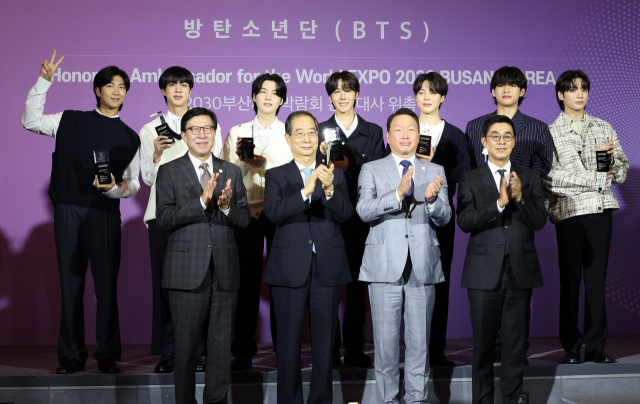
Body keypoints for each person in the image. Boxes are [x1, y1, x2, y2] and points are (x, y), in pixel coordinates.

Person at [22, 51, 141, 375]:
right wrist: (43, 81)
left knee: (106, 287)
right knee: (70, 285)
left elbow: (133, 183)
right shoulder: (70, 119)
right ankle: (71, 356)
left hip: (105, 213)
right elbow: (31, 121)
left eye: (122, 87)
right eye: (110, 85)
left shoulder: (130, 136)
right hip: (69, 211)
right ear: (98, 90)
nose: (116, 91)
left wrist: (114, 189)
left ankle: (107, 355)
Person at [155, 107, 251, 404]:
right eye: (194, 129)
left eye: (207, 128)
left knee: (221, 349)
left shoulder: (231, 170)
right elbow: (164, 218)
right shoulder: (169, 170)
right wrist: (200, 201)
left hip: (224, 271)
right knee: (185, 349)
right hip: (186, 272)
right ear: (183, 136)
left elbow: (245, 219)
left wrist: (226, 208)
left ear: (215, 133)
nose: (202, 134)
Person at [357, 108, 450, 404]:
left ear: (419, 135)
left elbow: (445, 217)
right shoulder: (371, 168)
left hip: (422, 264)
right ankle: (387, 399)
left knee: (420, 344)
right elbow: (364, 210)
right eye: (399, 129)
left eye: (411, 129)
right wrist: (397, 193)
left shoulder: (435, 170)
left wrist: (432, 201)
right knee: (385, 345)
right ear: (388, 135)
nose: (405, 134)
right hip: (384, 265)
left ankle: (416, 399)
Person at [263, 111, 353, 404]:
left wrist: (329, 189)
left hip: (326, 267)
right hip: (289, 269)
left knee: (325, 346)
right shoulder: (276, 175)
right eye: (299, 133)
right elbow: (273, 213)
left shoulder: (335, 173)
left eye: (312, 132)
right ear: (288, 138)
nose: (306, 138)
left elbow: (346, 214)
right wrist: (305, 191)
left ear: (319, 137)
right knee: (288, 346)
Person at [464, 65, 553, 362]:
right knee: (487, 302)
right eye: (500, 84)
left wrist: (520, 190)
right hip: (486, 221)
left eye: (513, 85)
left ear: (522, 90)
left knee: (517, 301)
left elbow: (544, 168)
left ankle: (515, 354)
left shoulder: (538, 128)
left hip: (520, 217)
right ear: (492, 90)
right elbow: (471, 171)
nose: (506, 89)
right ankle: (490, 353)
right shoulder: (475, 126)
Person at [457, 115, 547, 404]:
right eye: (495, 136)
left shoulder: (529, 177)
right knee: (482, 349)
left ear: (514, 142)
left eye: (507, 136)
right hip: (483, 273)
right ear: (484, 141)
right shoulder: (470, 178)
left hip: (520, 272)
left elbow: (539, 221)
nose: (501, 141)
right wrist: (498, 205)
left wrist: (520, 198)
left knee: (515, 348)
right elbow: (465, 221)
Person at [139, 66, 222, 374]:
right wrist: (156, 155)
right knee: (166, 285)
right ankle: (169, 351)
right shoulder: (150, 130)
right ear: (163, 90)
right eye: (172, 85)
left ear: (191, 90)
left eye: (183, 84)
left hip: (201, 213)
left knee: (200, 284)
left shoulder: (206, 123)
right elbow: (148, 178)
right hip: (164, 215)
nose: (178, 89)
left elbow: (216, 165)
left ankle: (198, 351)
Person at [543, 70, 628, 364]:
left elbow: (621, 172)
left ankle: (595, 346)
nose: (579, 94)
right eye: (572, 89)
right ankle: (570, 346)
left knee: (596, 281)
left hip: (600, 210)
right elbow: (551, 178)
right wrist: (595, 179)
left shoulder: (604, 127)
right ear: (560, 94)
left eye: (584, 89)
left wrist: (610, 162)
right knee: (569, 281)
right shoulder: (550, 132)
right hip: (568, 212)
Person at [223, 73, 292, 371]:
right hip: (245, 212)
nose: (267, 97)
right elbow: (227, 171)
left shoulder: (290, 133)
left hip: (281, 212)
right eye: (262, 91)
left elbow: (295, 172)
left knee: (282, 282)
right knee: (245, 282)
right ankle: (242, 350)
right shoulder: (238, 131)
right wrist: (244, 162)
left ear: (281, 100)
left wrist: (266, 164)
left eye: (274, 93)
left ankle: (284, 348)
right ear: (253, 96)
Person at [318, 70, 386, 367]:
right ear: (330, 96)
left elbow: (380, 173)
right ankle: (330, 349)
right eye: (336, 91)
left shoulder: (373, 131)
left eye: (347, 90)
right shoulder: (319, 130)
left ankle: (355, 349)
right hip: (328, 215)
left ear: (357, 94)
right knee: (328, 285)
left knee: (358, 286)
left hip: (360, 218)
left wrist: (352, 165)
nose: (342, 96)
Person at [411, 72, 471, 367]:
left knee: (440, 282)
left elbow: (464, 175)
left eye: (433, 92)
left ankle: (436, 351)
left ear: (442, 97)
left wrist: (433, 164)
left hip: (442, 218)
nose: (426, 97)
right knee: (409, 283)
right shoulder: (404, 128)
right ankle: (413, 351)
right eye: (421, 91)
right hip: (408, 217)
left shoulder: (455, 135)